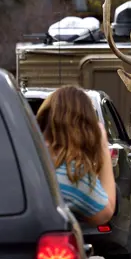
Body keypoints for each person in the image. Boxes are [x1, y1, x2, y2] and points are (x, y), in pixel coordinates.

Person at [35, 85, 116, 226]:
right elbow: (105, 212)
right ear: (87, 129)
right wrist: (103, 144)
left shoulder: (25, 155)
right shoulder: (73, 175)